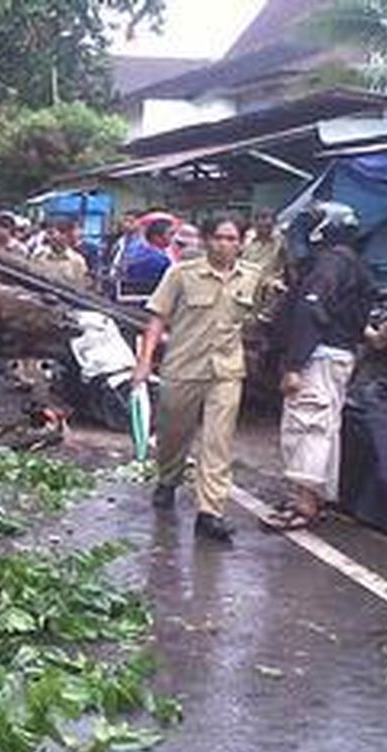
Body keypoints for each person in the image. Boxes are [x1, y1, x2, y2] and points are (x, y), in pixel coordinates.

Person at [131, 216, 262, 541]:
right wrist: (144, 363)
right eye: (219, 238)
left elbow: (253, 318)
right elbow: (158, 319)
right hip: (183, 367)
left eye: (232, 239)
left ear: (241, 242)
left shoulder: (252, 277)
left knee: (218, 441)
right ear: (205, 240)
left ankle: (210, 512)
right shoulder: (181, 274)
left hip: (226, 371)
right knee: (173, 433)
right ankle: (167, 478)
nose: (226, 245)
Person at [265, 202, 373, 530]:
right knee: (325, 427)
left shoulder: (330, 264)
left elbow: (312, 312)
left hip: (320, 355)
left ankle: (305, 504)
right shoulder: (351, 264)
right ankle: (317, 497)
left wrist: (295, 364)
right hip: (337, 355)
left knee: (307, 426)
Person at [32, 217, 89, 290]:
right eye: (51, 233)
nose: (55, 236)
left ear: (69, 235)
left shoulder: (77, 261)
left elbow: (80, 288)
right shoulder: (39, 255)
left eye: (62, 232)